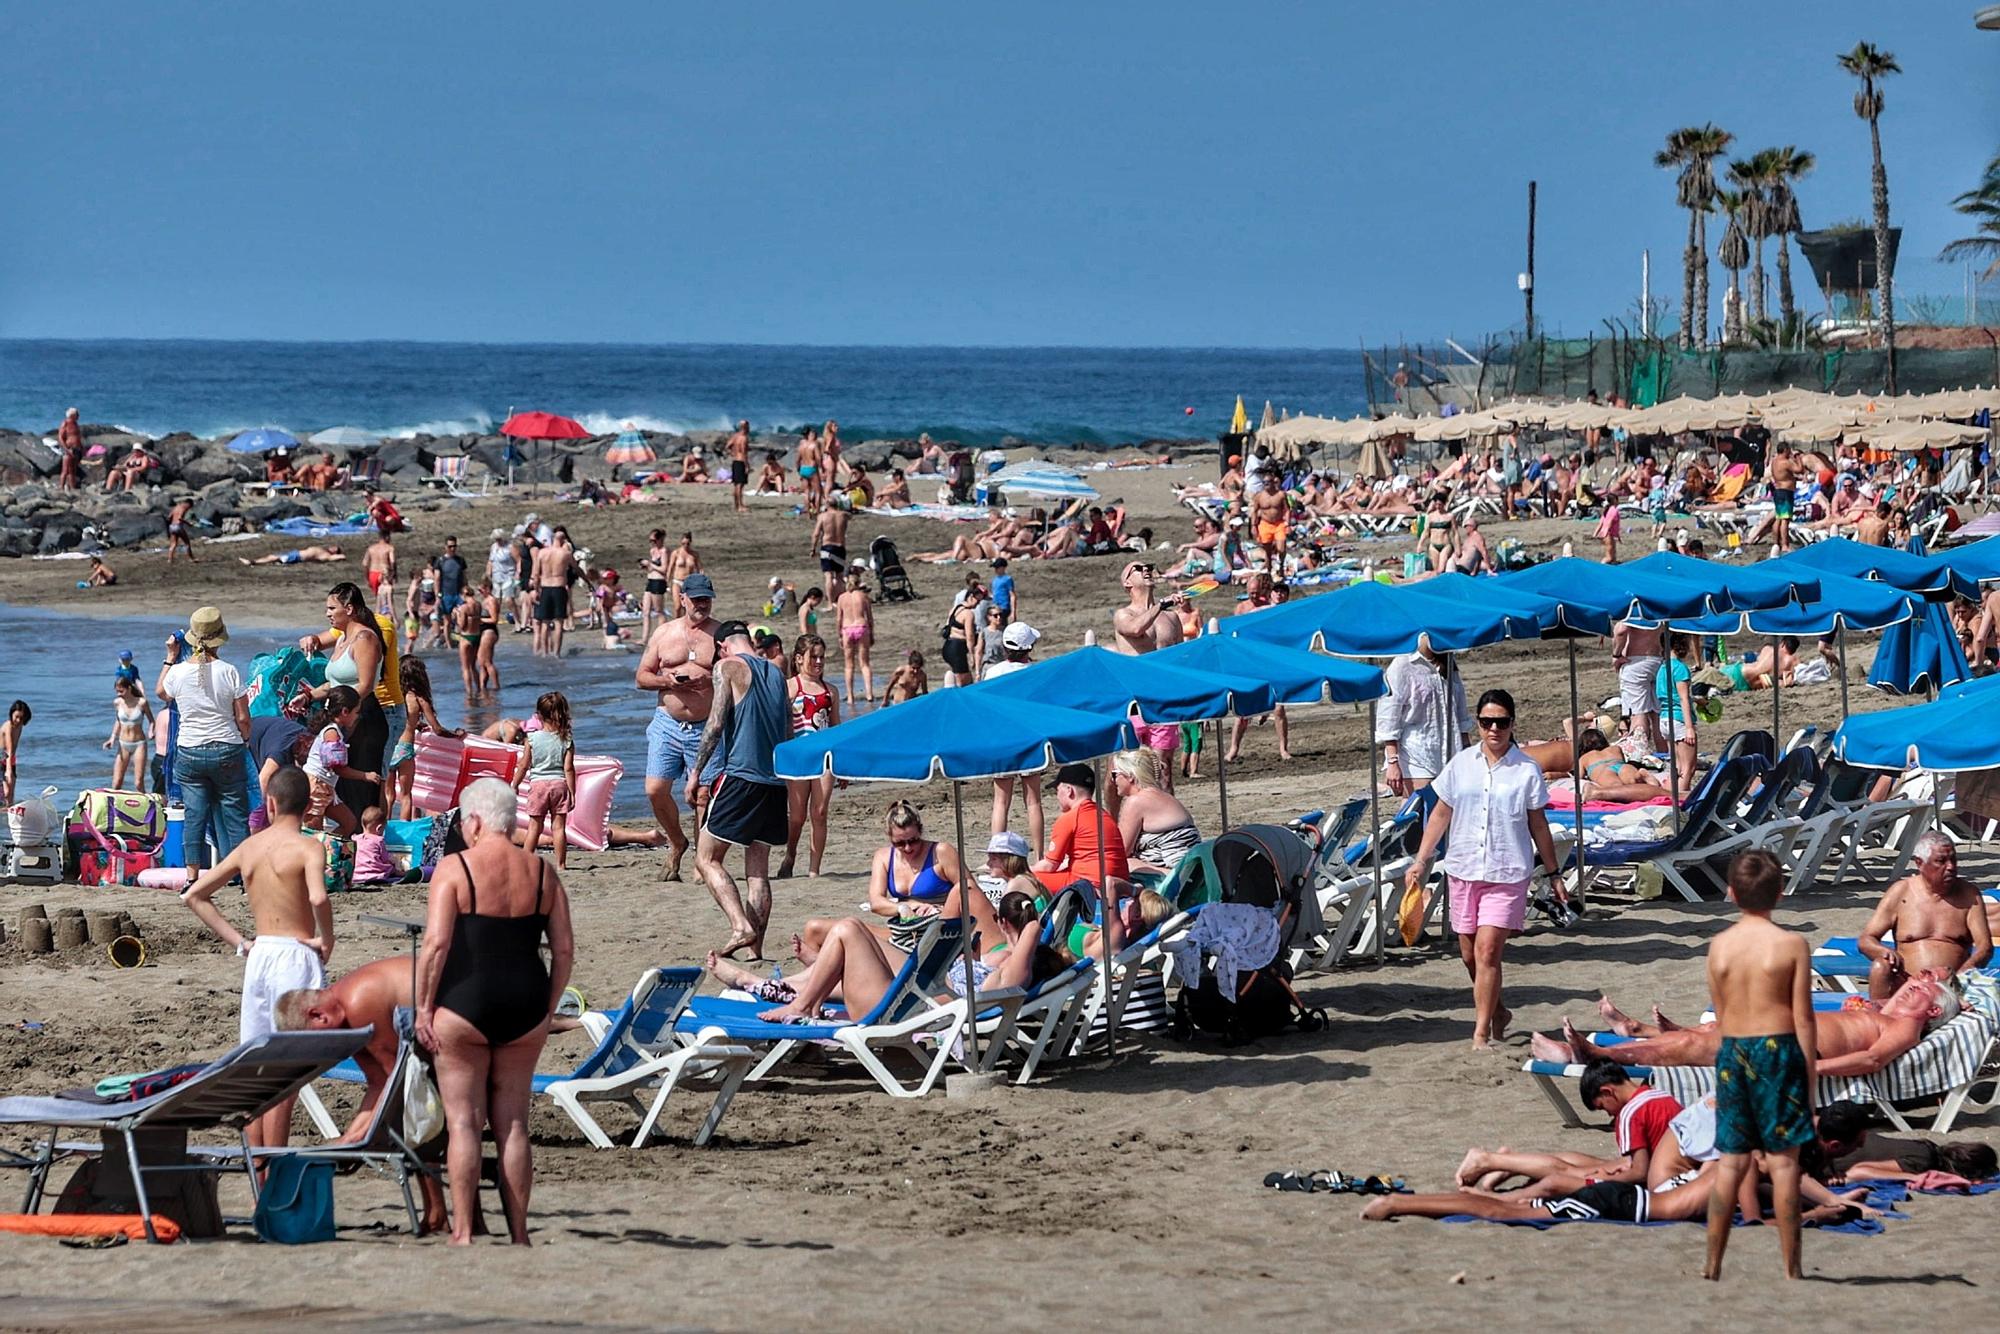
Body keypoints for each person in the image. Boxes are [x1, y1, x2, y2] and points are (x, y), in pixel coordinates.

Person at [415, 778, 574, 1246]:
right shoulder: (542, 872)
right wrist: (547, 1007)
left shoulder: (454, 867)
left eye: (465, 822)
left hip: (465, 1003)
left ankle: (463, 1231)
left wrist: (424, 1007)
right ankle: (520, 1233)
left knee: (463, 1122)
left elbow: (437, 944)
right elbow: (563, 951)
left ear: (477, 822)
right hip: (525, 1002)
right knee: (514, 1124)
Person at [180, 765, 332, 1151]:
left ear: (271, 802)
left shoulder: (250, 846)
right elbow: (317, 897)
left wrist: (240, 941)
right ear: (307, 804)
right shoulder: (309, 846)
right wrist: (325, 938)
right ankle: (275, 1162)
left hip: (260, 953)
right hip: (296, 954)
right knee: (287, 1075)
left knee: (256, 1070)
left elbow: (194, 896)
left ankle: (257, 1170)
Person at [1406, 689, 1563, 1050]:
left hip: (1507, 872)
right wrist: (1421, 860)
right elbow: (1441, 812)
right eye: (1487, 722)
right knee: (1468, 955)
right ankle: (1498, 1011)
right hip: (1463, 869)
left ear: (1512, 724)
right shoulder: (1460, 764)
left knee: (1488, 952)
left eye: (1502, 722)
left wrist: (1554, 874)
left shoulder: (1526, 769)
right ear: (1477, 724)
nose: (1494, 729)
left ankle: (1481, 1034)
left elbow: (1538, 824)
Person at [1697, 848, 1815, 1281]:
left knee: (1731, 1162)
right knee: (1784, 1163)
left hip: (1733, 1049)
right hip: (1777, 1048)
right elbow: (1803, 1017)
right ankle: (1792, 1267)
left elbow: (1722, 1013)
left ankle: (1712, 1262)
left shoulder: (1719, 946)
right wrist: (1811, 1075)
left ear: (1730, 892)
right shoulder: (1790, 944)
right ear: (1780, 892)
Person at [272, 957, 448, 1231]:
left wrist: (359, 1138)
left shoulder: (358, 1003)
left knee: (417, 1113)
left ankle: (438, 1213)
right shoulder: (342, 1019)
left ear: (317, 1015)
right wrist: (352, 1136)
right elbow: (378, 1082)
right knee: (409, 1115)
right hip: (435, 1024)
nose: (325, 1048)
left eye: (318, 1039)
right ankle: (436, 1213)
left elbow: (396, 1079)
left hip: (457, 1010)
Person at [716, 891, 1060, 1025]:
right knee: (855, 935)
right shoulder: (1001, 971)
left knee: (848, 929)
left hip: (904, 1010)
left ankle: (800, 1002)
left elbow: (1029, 941)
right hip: (910, 995)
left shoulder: (1011, 980)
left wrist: (1031, 922)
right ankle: (784, 985)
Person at [688, 621, 790, 960]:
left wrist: (696, 772)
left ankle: (740, 926)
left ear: (722, 647)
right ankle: (755, 951)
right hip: (775, 780)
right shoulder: (777, 672)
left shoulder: (726, 666)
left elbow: (716, 723)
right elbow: (786, 727)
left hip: (742, 776)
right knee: (757, 871)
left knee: (706, 858)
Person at [1454, 1059, 1684, 1195]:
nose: (1610, 1114)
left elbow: (1639, 1171)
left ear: (1607, 1091)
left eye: (1603, 1108)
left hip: (1655, 1169)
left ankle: (1502, 1161)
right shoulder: (1660, 1096)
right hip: (1665, 1167)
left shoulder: (1630, 1113)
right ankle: (1499, 1161)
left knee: (1578, 1170)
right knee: (1581, 1171)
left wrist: (1600, 1179)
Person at [156, 609, 251, 883]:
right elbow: (243, 718)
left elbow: (161, 692)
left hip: (189, 750)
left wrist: (170, 658)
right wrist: (245, 738)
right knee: (234, 815)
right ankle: (243, 875)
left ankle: (192, 877)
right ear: (219, 639)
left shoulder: (179, 672)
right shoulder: (229, 671)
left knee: (194, 815)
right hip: (227, 747)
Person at [636, 571, 720, 880]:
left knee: (702, 795)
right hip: (667, 723)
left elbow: (740, 673)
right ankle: (677, 840)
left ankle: (703, 859)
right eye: (696, 598)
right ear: (682, 599)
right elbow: (641, 677)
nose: (701, 604)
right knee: (655, 789)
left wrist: (706, 677)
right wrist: (666, 679)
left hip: (706, 725)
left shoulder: (720, 634)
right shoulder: (664, 633)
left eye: (706, 599)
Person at [1856, 832, 1993, 999]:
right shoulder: (1901, 892)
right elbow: (1866, 940)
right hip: (1906, 986)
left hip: (1953, 988)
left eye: (1953, 860)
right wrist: (1882, 951)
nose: (1950, 867)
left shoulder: (1969, 894)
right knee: (1880, 966)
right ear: (1920, 863)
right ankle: (1878, 1022)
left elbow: (1985, 946)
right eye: (1941, 861)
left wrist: (1967, 969)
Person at [303, 583, 389, 818]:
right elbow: (334, 684)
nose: (327, 614)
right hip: (343, 719)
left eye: (332, 608)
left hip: (363, 719)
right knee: (340, 786)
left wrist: (341, 711)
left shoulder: (364, 638)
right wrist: (308, 696)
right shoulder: (342, 639)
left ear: (349, 609)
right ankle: (346, 848)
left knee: (360, 792)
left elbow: (365, 684)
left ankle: (367, 846)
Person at [1374, 639, 1472, 798]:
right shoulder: (1402, 665)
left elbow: (1461, 714)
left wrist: (1467, 750)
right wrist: (1393, 763)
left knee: (1447, 811)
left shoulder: (1449, 663)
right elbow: (1388, 719)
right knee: (1417, 809)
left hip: (1451, 753)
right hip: (1417, 755)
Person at [779, 634, 839, 879]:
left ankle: (814, 869)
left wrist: (842, 765)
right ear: (799, 658)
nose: (818, 661)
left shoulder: (830, 691)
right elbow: (779, 724)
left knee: (820, 812)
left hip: (825, 758)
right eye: (813, 657)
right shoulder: (790, 687)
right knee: (798, 815)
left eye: (821, 657)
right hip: (798, 758)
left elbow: (836, 730)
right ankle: (790, 853)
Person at [984, 621, 1045, 855]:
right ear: (1029, 648)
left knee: (1000, 801)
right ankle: (1039, 855)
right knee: (1033, 801)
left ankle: (996, 854)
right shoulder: (1037, 672)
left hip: (1002, 738)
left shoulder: (993, 672)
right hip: (1030, 738)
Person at [1033, 763, 1130, 902]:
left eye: (1057, 790)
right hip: (1119, 882)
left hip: (1090, 885)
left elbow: (1049, 865)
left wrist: (1025, 870)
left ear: (1069, 790)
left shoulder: (1070, 818)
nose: (1057, 795)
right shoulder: (1103, 815)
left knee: (1025, 880)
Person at [1224, 572, 1292, 763]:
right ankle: (1233, 749)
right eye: (1250, 592)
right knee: (1244, 711)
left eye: (1283, 592)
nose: (1279, 594)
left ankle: (1283, 749)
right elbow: (1236, 631)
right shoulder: (1250, 609)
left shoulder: (1277, 610)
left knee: (1278, 709)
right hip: (1251, 661)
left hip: (1271, 661)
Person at [1110, 748, 1199, 876]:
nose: (1113, 781)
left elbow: (1121, 851)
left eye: (1115, 774)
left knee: (1123, 865)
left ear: (1130, 776)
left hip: (1174, 878)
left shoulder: (1136, 802)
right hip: (1192, 872)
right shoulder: (1166, 797)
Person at [301, 686, 373, 836]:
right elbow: (337, 768)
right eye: (356, 712)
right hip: (316, 785)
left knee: (349, 822)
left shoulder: (336, 731)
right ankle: (317, 853)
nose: (357, 716)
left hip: (326, 787)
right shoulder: (332, 734)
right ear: (345, 712)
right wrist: (365, 776)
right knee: (312, 832)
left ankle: (329, 851)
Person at [517, 691, 577, 871]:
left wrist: (514, 784)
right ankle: (561, 864)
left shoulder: (532, 739)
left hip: (538, 786)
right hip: (559, 785)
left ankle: (526, 862)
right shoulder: (566, 739)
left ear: (539, 715)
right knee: (558, 828)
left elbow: (523, 765)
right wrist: (572, 792)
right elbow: (568, 768)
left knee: (534, 827)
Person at [1611, 619, 1665, 752]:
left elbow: (1621, 631)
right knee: (1658, 714)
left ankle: (1639, 755)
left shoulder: (1634, 606)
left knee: (1638, 713)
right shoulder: (1658, 605)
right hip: (1659, 659)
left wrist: (1616, 654)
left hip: (1636, 660)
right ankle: (1665, 754)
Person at [1656, 632, 1699, 794]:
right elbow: (1682, 699)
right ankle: (1679, 802)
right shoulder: (1680, 668)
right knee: (1687, 769)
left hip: (1665, 719)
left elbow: (1671, 695)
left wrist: (1695, 700)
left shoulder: (1662, 668)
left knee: (1676, 768)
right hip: (1679, 719)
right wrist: (1689, 727)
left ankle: (1670, 796)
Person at [530, 531, 575, 657]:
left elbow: (535, 573)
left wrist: (536, 589)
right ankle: (556, 653)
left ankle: (545, 652)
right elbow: (576, 569)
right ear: (564, 540)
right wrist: (587, 581)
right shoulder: (565, 553)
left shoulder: (542, 553)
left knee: (545, 622)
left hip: (545, 587)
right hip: (559, 587)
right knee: (558, 622)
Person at [104, 679, 153, 792]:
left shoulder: (142, 702)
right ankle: (115, 808)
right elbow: (118, 721)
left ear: (129, 688)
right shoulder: (117, 703)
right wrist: (112, 738)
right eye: (117, 691)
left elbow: (151, 721)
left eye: (121, 691)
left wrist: (151, 730)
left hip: (139, 744)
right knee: (116, 783)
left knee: (138, 783)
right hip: (123, 744)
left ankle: (146, 807)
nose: (119, 694)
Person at [835, 571, 875, 705]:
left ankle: (850, 696)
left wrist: (839, 635)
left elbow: (839, 619)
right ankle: (869, 693)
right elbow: (869, 617)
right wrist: (872, 633)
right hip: (861, 627)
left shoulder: (841, 598)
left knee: (849, 665)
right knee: (864, 663)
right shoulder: (863, 596)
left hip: (847, 629)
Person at [811, 493, 851, 599]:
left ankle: (830, 602)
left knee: (828, 575)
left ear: (827, 505)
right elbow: (849, 514)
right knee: (839, 575)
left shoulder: (822, 516)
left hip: (827, 547)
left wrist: (813, 549)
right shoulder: (843, 515)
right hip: (840, 547)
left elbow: (816, 534)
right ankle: (839, 599)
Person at [1767, 441, 1800, 553]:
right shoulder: (1785, 462)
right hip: (1786, 492)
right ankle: (1785, 544)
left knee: (1778, 518)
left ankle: (1776, 543)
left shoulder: (1774, 461)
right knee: (1785, 519)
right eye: (1789, 450)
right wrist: (1797, 457)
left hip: (1777, 491)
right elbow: (1799, 469)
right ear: (1785, 450)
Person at [352, 805, 399, 883]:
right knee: (390, 867)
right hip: (375, 874)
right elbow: (385, 859)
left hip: (356, 874)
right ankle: (402, 874)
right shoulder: (378, 840)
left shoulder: (355, 838)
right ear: (379, 828)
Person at [640, 529, 670, 643]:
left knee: (659, 611)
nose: (652, 542)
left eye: (654, 540)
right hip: (650, 580)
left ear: (660, 539)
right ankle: (644, 639)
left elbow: (664, 569)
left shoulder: (664, 551)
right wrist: (646, 566)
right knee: (646, 611)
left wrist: (650, 564)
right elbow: (651, 568)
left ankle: (663, 636)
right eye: (650, 540)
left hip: (659, 582)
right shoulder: (653, 551)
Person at [435, 535, 469, 625]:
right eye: (450, 546)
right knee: (447, 621)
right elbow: (437, 579)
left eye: (454, 546)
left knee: (462, 618)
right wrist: (438, 595)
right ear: (445, 547)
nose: (452, 549)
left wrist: (466, 592)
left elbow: (465, 577)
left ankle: (460, 637)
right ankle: (448, 639)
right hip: (446, 594)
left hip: (459, 594)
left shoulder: (460, 560)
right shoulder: (440, 561)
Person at [0, 700, 28, 805]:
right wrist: (8, 770)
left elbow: (14, 747)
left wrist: (12, 764)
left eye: (21, 718)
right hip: (2, 756)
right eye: (16, 716)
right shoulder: (8, 726)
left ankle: (9, 814)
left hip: (10, 758)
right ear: (11, 714)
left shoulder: (19, 726)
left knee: (11, 793)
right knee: (5, 792)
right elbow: (9, 748)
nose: (18, 720)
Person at [364, 533, 398, 615]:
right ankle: (388, 617)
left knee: (379, 598)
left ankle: (379, 616)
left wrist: (366, 578)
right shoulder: (389, 548)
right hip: (384, 572)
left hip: (373, 573)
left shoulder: (371, 548)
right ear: (386, 537)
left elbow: (365, 563)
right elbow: (392, 561)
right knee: (388, 597)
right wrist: (394, 574)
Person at [665, 531, 703, 605]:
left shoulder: (694, 555)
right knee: (678, 606)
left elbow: (700, 568)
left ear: (690, 543)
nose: (685, 545)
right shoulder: (676, 553)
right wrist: (667, 582)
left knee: (687, 606)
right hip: (677, 581)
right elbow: (670, 568)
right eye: (683, 544)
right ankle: (677, 616)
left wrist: (700, 581)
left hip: (689, 582)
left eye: (687, 544)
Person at [239, 543, 344, 567]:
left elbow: (342, 557)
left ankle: (252, 562)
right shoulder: (323, 550)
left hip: (297, 557)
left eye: (335, 548)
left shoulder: (326, 555)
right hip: (295, 554)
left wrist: (339, 555)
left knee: (273, 557)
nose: (332, 547)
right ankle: (254, 562)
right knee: (273, 557)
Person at [726, 419, 751, 513]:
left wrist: (733, 453)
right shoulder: (744, 438)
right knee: (740, 485)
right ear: (746, 427)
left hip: (735, 461)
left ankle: (737, 505)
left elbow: (727, 446)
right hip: (741, 461)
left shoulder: (735, 436)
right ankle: (740, 506)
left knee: (736, 484)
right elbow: (744, 452)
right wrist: (747, 465)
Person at [57, 407, 83, 490]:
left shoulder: (76, 424)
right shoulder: (65, 423)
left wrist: (81, 447)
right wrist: (66, 449)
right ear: (72, 415)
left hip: (76, 449)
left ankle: (72, 487)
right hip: (68, 449)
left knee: (73, 470)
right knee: (65, 470)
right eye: (77, 414)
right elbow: (60, 437)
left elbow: (77, 436)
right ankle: (61, 487)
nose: (78, 416)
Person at [165, 499, 198, 565]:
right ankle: (191, 558)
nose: (189, 508)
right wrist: (188, 523)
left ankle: (170, 559)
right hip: (178, 526)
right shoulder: (183, 508)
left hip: (172, 526)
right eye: (190, 506)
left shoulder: (176, 507)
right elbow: (180, 518)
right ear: (187, 504)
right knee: (187, 543)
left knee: (173, 544)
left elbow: (169, 517)